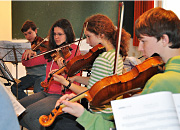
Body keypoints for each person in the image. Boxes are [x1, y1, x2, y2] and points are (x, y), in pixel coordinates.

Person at [54, 7, 180, 130]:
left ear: (164, 39)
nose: (140, 48)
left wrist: (83, 114)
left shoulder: (160, 82)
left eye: (143, 40)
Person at [51, 14, 131, 130]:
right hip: (110, 113)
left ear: (101, 35)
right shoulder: (115, 54)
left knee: (57, 123)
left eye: (88, 36)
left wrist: (66, 82)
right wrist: (76, 79)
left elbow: (90, 93)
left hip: (98, 114)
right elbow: (99, 82)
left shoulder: (102, 59)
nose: (87, 42)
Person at [18, 19, 82, 130]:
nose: (56, 37)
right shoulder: (52, 51)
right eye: (54, 34)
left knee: (29, 116)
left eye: (60, 34)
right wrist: (27, 53)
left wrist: (63, 69)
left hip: (62, 96)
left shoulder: (74, 51)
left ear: (68, 34)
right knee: (18, 109)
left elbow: (73, 79)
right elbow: (27, 63)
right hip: (46, 92)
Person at [11, 20, 46, 100]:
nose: (28, 36)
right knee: (15, 88)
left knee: (38, 90)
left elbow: (47, 57)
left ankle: (37, 107)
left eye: (30, 33)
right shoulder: (25, 46)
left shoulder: (44, 45)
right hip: (30, 76)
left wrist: (35, 53)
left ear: (35, 31)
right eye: (25, 34)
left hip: (42, 75)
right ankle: (28, 104)